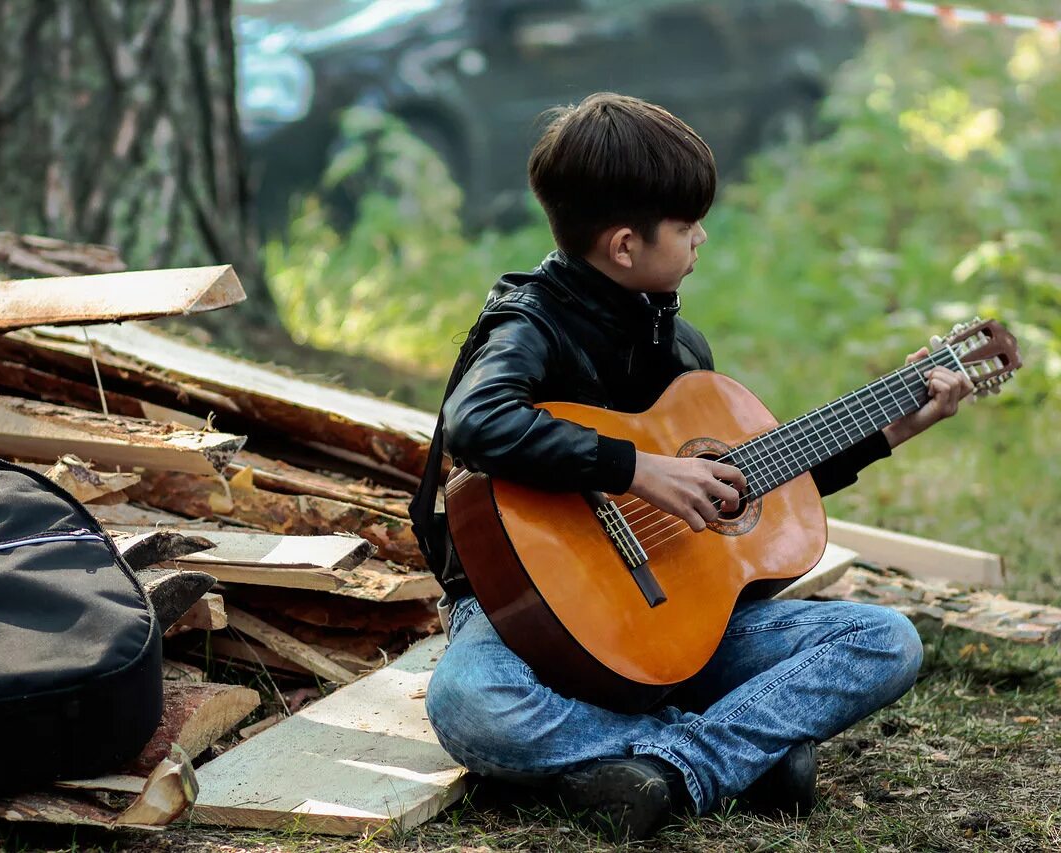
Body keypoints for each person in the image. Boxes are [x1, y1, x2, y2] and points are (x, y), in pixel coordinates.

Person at [407, 92, 972, 840]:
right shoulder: (527, 325)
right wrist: (635, 470)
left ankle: (663, 769)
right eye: (685, 224)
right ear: (624, 246)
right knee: (469, 699)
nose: (702, 236)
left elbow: (738, 487)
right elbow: (476, 422)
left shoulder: (682, 350)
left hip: (674, 626)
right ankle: (732, 754)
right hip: (530, 621)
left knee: (885, 639)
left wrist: (889, 430)